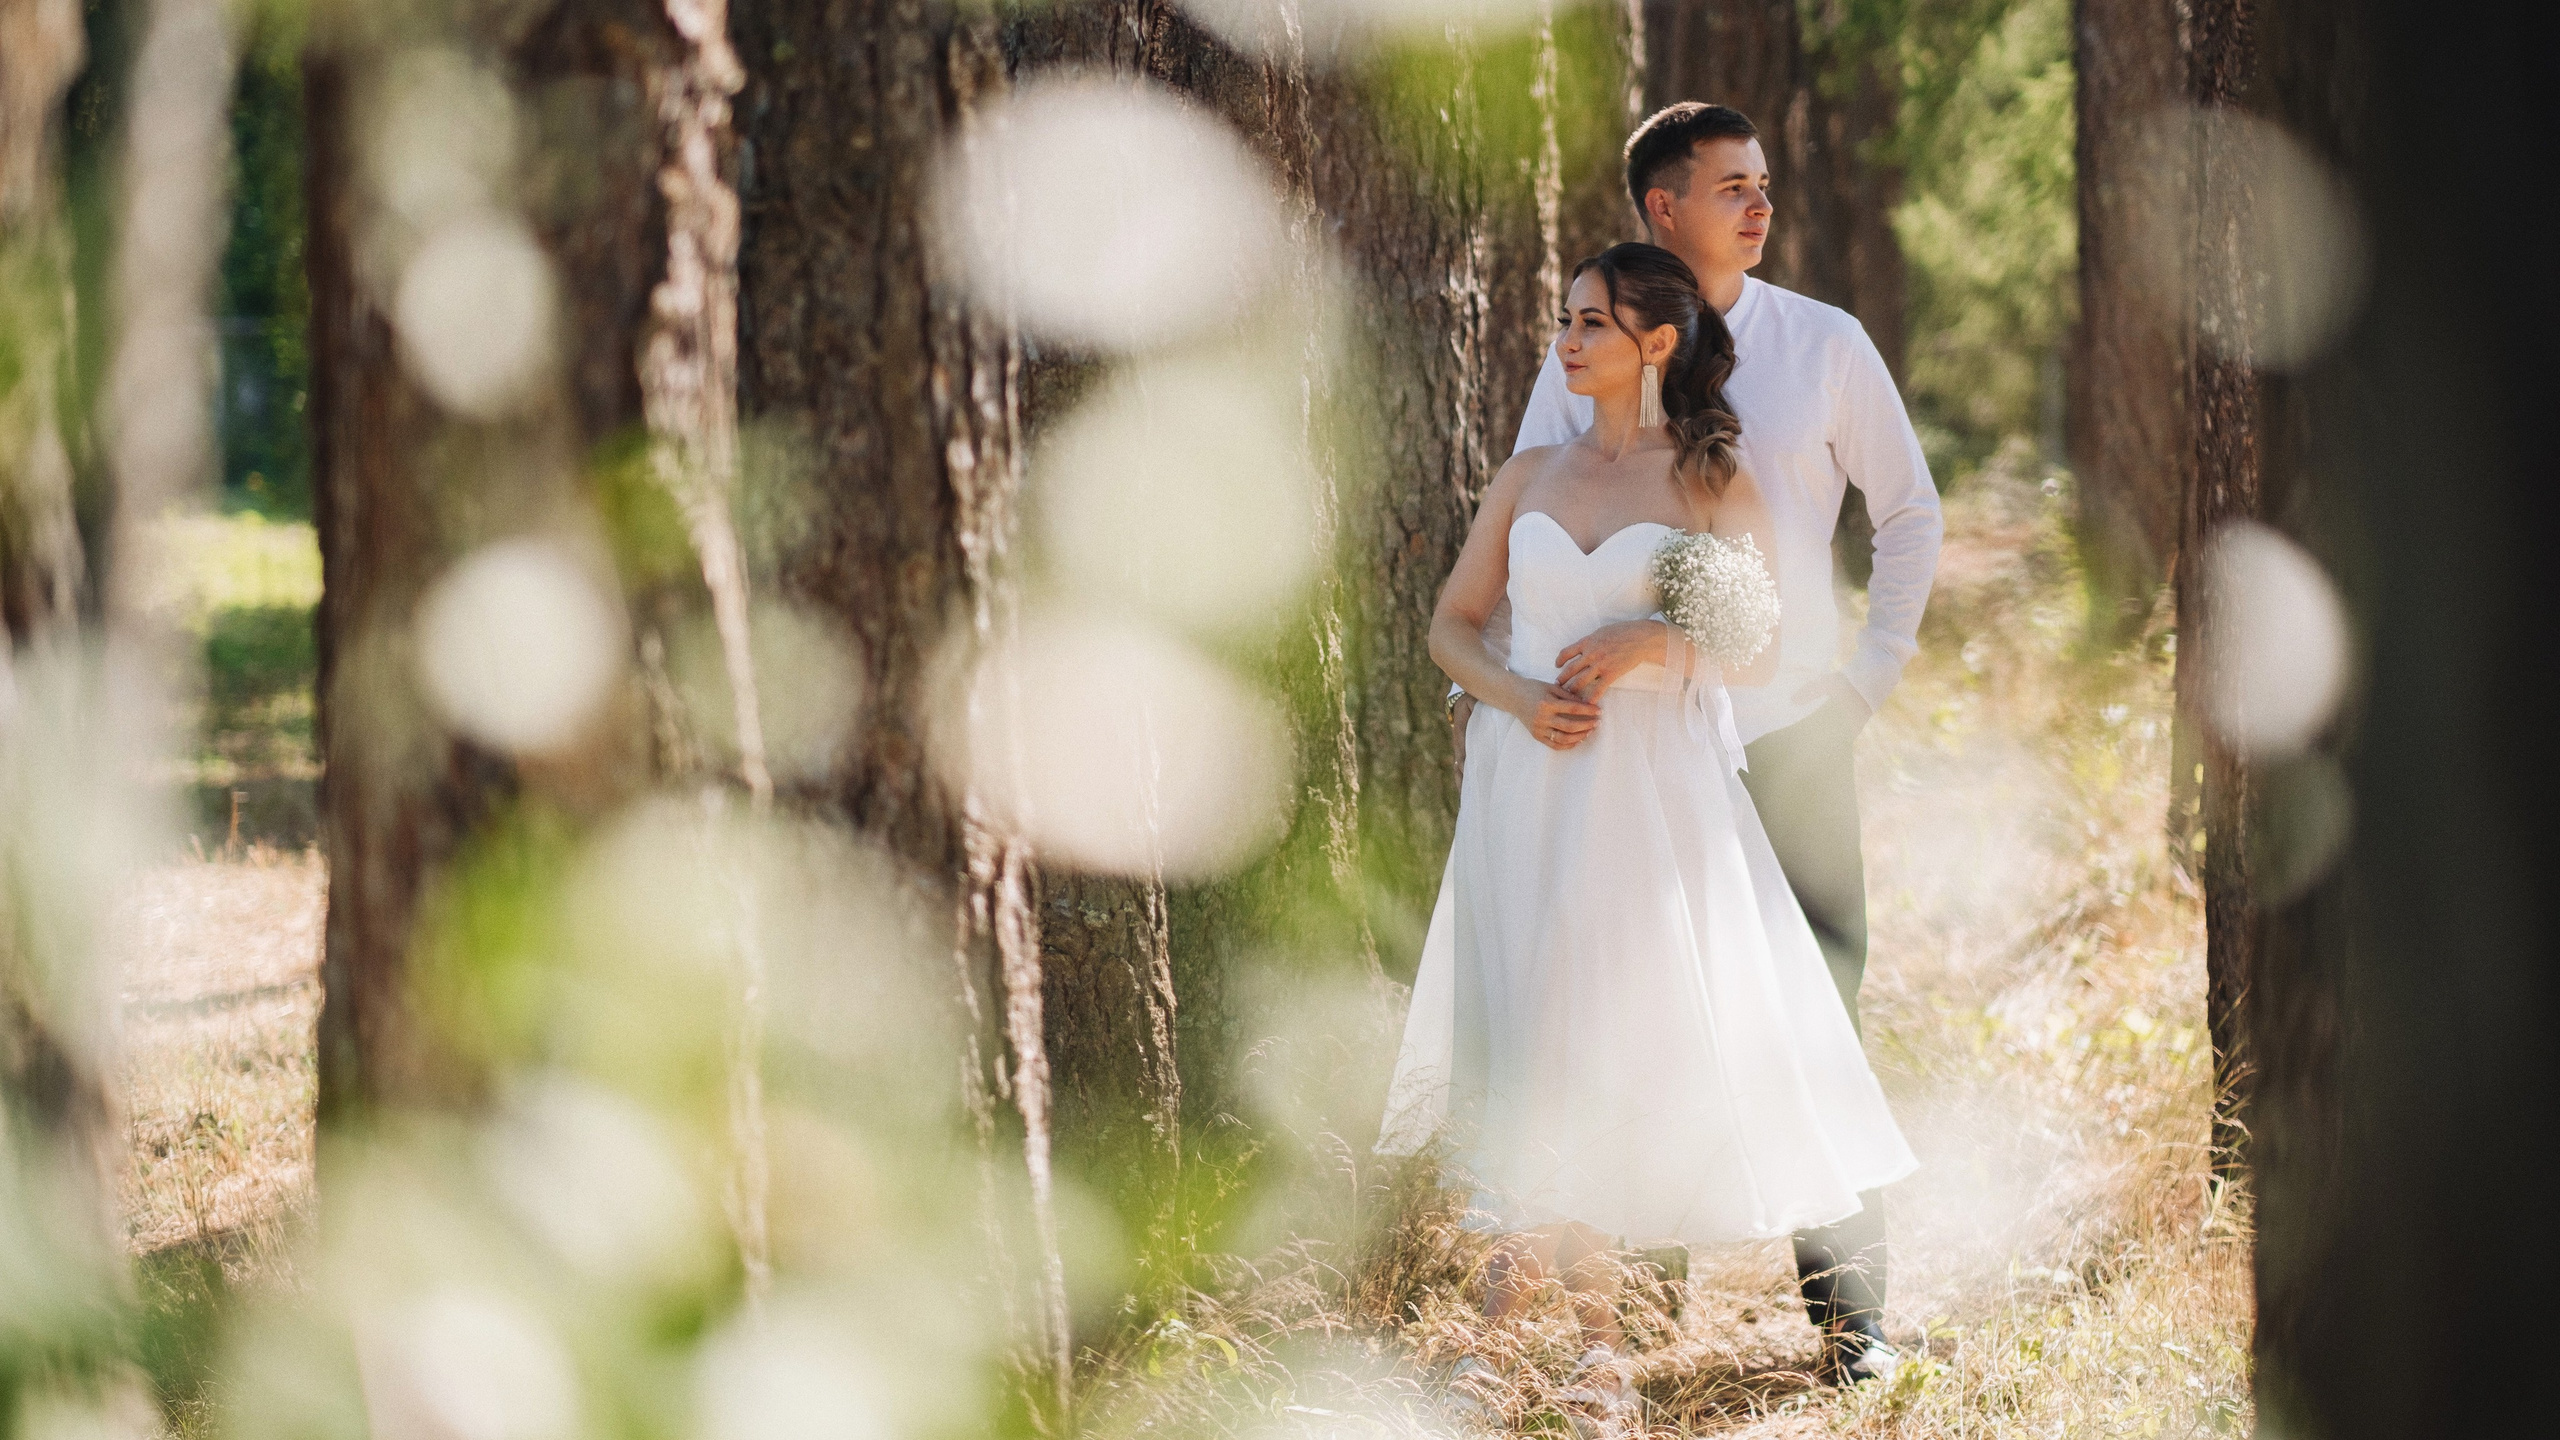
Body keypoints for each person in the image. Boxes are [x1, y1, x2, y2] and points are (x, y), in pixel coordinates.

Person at [1433, 101, 1944, 1386]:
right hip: (1630, 755)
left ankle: (1852, 1324)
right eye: (1732, 186)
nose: (1760, 205)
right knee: (1628, 1006)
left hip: (1785, 733)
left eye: (1764, 182)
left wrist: (1864, 682)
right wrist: (1500, 702)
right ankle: (1639, 1329)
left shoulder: (1822, 344)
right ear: (1665, 207)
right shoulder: (1592, 349)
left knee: (1816, 1004)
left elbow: (1908, 510)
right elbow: (1539, 526)